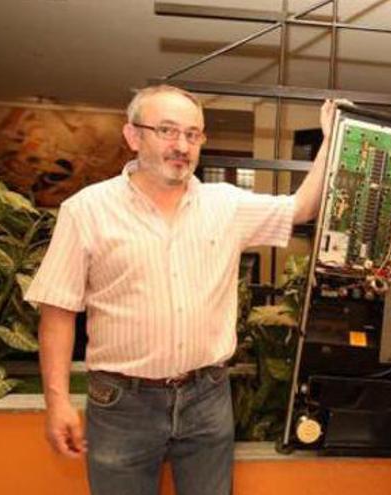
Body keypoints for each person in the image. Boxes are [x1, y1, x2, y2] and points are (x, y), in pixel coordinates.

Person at [25, 84, 335, 495]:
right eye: (167, 131)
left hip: (207, 398)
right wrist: (58, 400)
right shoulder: (86, 210)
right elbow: (58, 311)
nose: (182, 145)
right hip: (122, 404)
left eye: (193, 134)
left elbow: (301, 208)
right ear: (133, 136)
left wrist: (332, 140)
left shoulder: (226, 205)